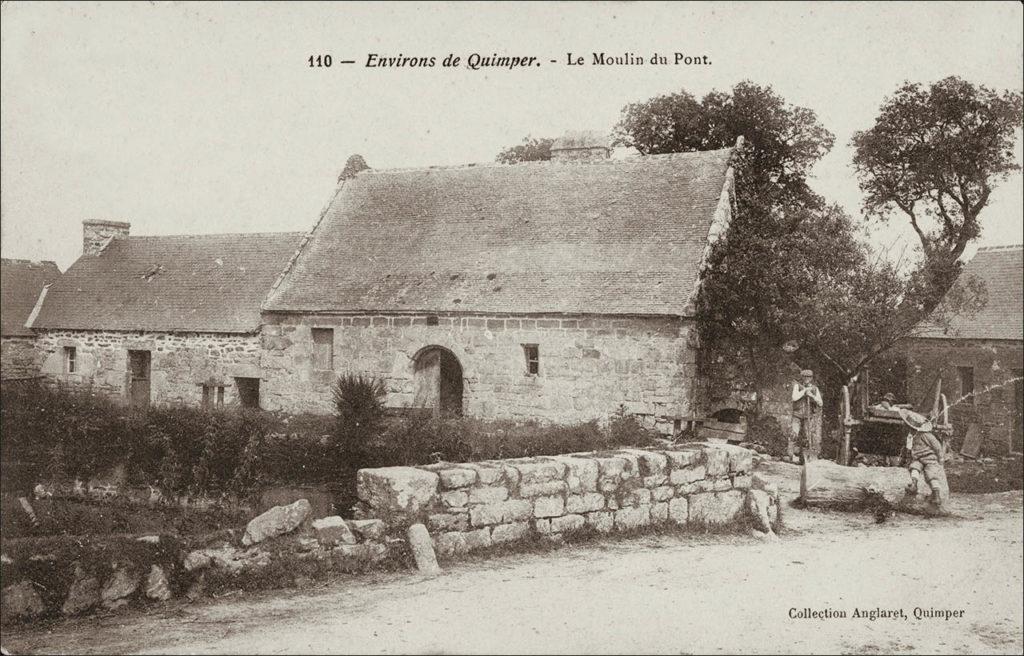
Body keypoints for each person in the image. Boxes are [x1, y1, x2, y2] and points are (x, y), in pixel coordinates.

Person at [898, 408, 948, 510]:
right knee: (914, 467)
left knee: (931, 474)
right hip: (918, 459)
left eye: (908, 427)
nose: (907, 429)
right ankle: (914, 485)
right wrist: (904, 460)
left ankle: (936, 494)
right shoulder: (910, 437)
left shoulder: (926, 435)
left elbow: (937, 446)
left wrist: (941, 458)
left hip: (930, 459)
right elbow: (907, 449)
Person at [789, 369, 823, 464]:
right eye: (805, 377)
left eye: (809, 377)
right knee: (794, 434)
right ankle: (791, 456)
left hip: (809, 416)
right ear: (802, 377)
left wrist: (811, 395)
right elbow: (794, 397)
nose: (807, 379)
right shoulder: (797, 386)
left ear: (811, 378)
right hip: (797, 415)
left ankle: (804, 459)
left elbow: (820, 403)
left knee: (807, 437)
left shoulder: (815, 389)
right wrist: (804, 391)